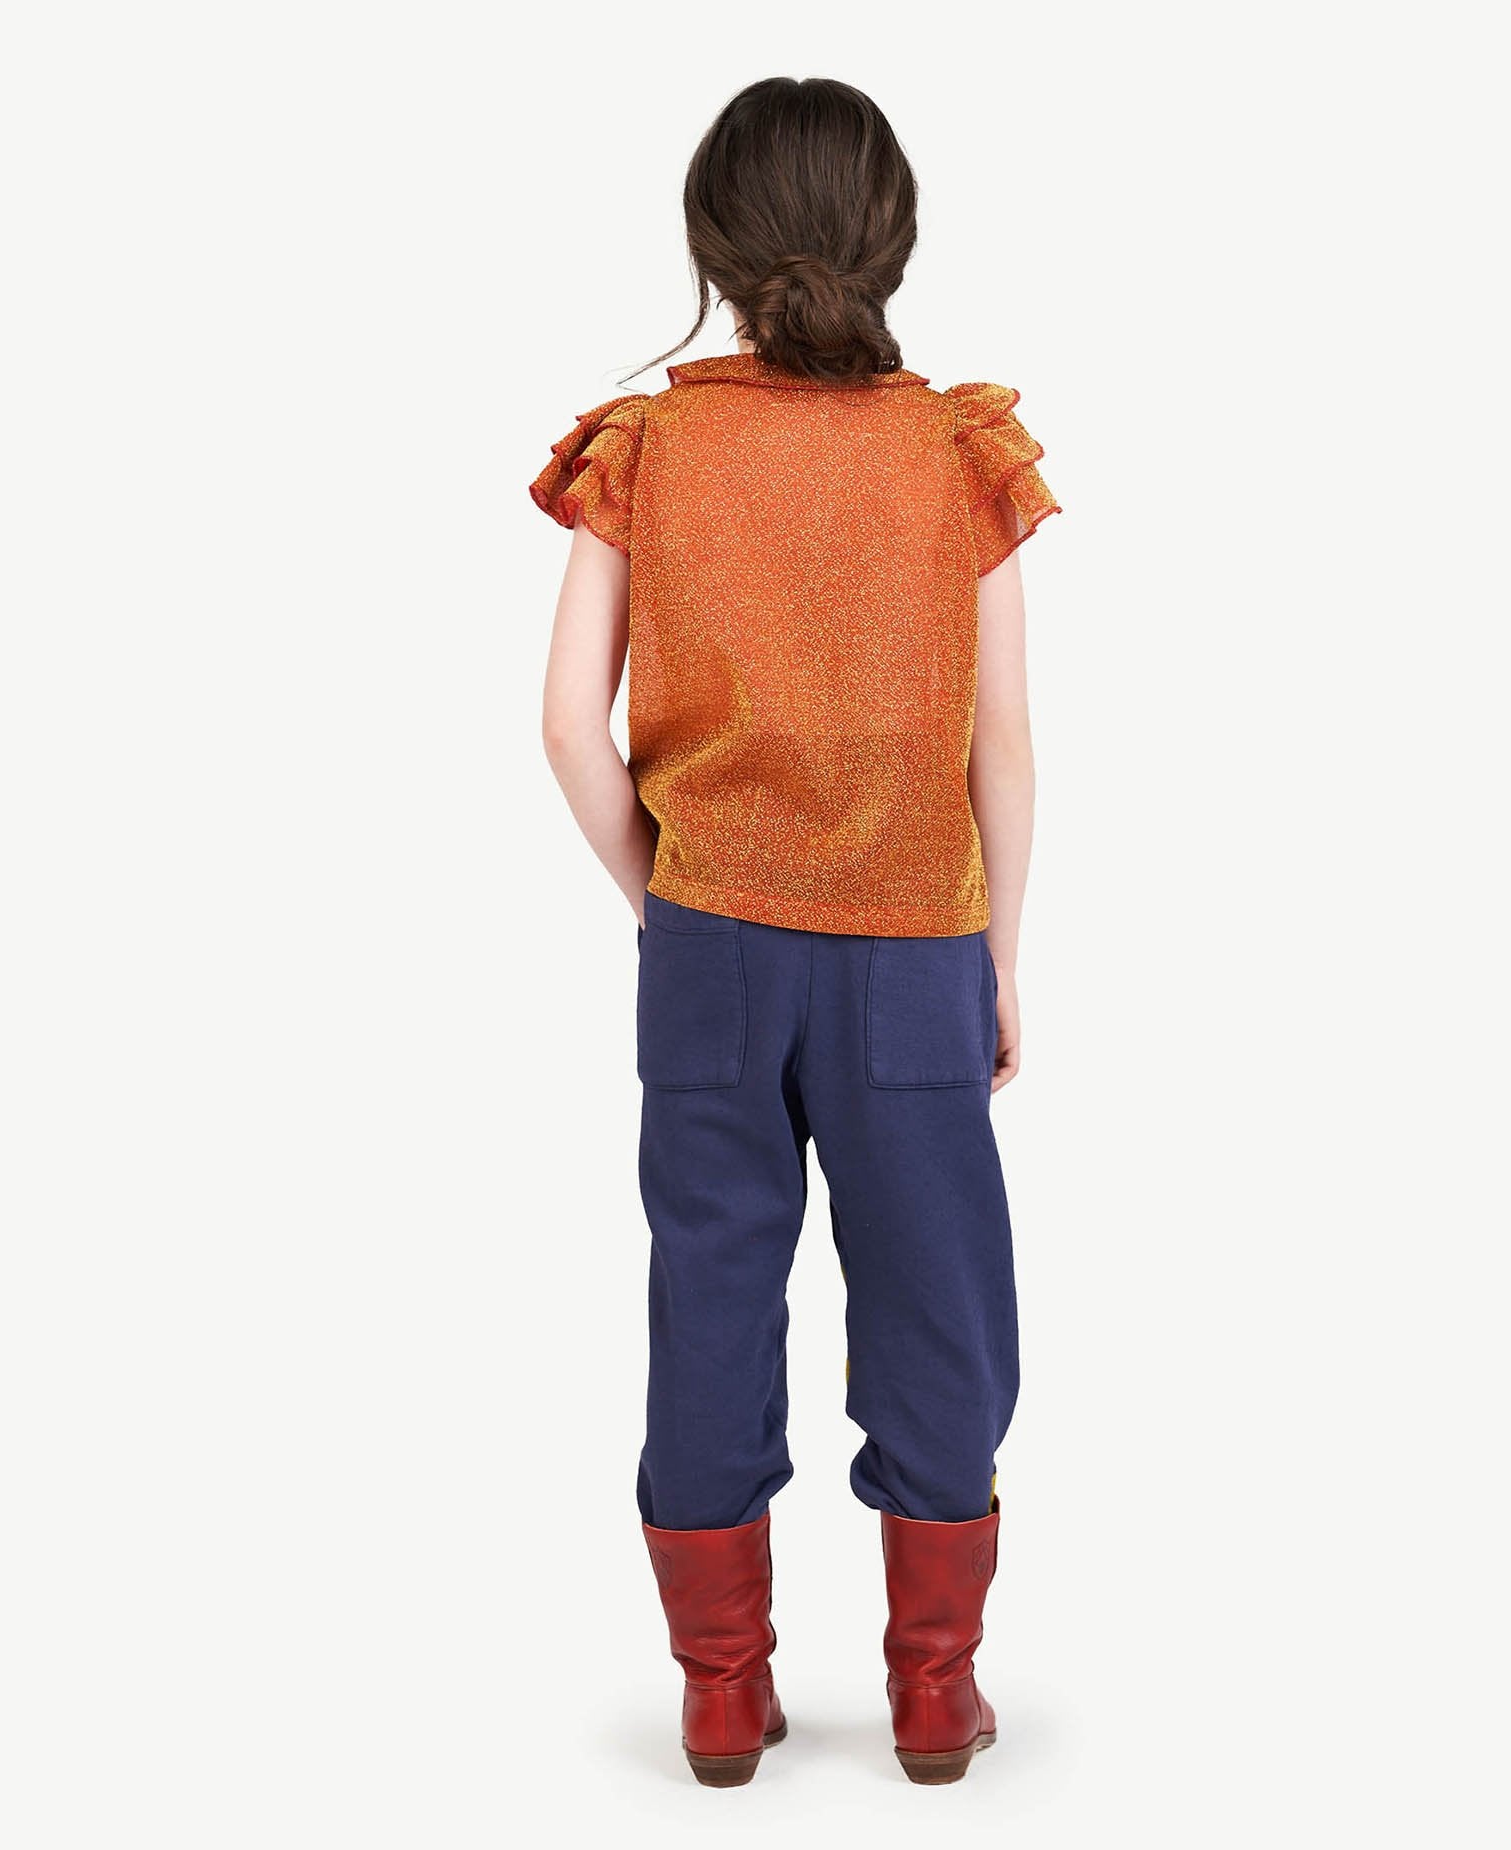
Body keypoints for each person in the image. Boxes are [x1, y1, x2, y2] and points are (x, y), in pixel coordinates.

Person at [529, 75, 1060, 1788]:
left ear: (712, 245)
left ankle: (717, 1687)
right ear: (891, 237)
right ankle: (933, 1685)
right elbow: (1000, 742)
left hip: (710, 945)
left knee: (709, 1289)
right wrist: (996, 952)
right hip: (911, 943)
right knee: (938, 1296)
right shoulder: (955, 455)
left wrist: (669, 898)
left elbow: (566, 726)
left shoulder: (648, 449)